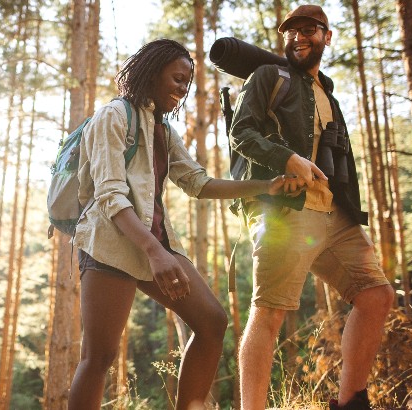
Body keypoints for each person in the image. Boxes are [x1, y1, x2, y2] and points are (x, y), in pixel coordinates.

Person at [69, 39, 288, 410]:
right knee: (99, 357)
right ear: (152, 73)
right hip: (109, 243)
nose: (182, 88)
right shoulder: (113, 115)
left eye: (187, 82)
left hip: (156, 246)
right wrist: (155, 252)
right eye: (176, 78)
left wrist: (266, 187)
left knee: (212, 323)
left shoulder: (163, 131)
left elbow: (199, 183)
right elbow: (110, 195)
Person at [229, 5, 395, 410]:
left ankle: (351, 402)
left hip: (333, 210)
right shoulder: (269, 76)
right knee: (270, 313)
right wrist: (288, 159)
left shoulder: (327, 90)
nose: (298, 38)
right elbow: (241, 132)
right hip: (285, 207)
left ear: (327, 36)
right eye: (291, 33)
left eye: (308, 30)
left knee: (376, 295)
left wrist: (351, 206)